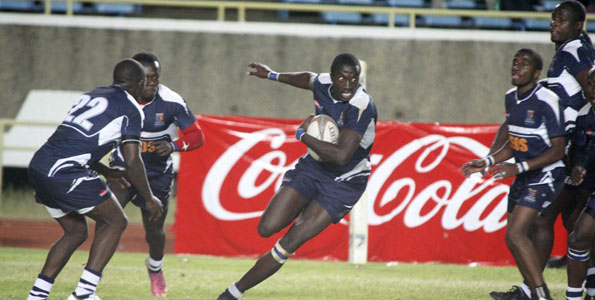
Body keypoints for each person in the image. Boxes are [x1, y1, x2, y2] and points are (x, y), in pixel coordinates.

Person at [217, 53, 377, 300]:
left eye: (353, 78)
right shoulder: (324, 83)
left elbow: (342, 156)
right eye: (342, 78)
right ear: (333, 77)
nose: (348, 85)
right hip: (314, 167)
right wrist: (272, 75)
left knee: (288, 244)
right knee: (266, 227)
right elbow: (308, 79)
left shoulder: (361, 105)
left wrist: (303, 135)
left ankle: (233, 292)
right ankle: (305, 208)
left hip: (345, 181)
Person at [26, 59, 163, 300]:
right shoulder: (131, 108)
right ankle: (84, 293)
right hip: (65, 171)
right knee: (115, 221)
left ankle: (38, 295)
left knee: (75, 231)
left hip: (40, 165)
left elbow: (76, 139)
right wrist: (149, 198)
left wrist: (106, 171)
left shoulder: (92, 94)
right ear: (139, 83)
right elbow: (132, 160)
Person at [487, 2, 595, 299]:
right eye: (552, 18)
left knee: (549, 219)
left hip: (575, 145)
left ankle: (534, 289)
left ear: (577, 26)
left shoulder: (575, 51)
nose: (553, 23)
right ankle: (548, 287)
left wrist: (582, 128)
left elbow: (592, 86)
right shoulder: (570, 49)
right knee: (574, 220)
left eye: (560, 20)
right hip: (576, 142)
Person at [461, 48, 566, 300]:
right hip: (524, 174)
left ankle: (541, 296)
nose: (517, 67)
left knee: (516, 233)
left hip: (546, 173)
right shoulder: (510, 98)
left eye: (524, 63)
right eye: (514, 62)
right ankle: (529, 292)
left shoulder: (547, 100)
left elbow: (559, 150)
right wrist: (486, 161)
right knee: (516, 238)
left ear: (537, 73)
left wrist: (518, 168)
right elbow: (513, 141)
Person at [107, 52, 205, 297]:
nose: (151, 83)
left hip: (157, 174)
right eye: (146, 78)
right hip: (124, 169)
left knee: (154, 229)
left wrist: (174, 146)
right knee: (108, 218)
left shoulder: (171, 101)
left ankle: (155, 267)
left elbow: (197, 137)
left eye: (155, 77)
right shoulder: (117, 99)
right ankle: (91, 275)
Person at [565, 67, 595, 300]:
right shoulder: (584, 114)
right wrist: (577, 167)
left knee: (580, 235)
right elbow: (581, 152)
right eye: (590, 83)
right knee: (579, 235)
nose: (593, 89)